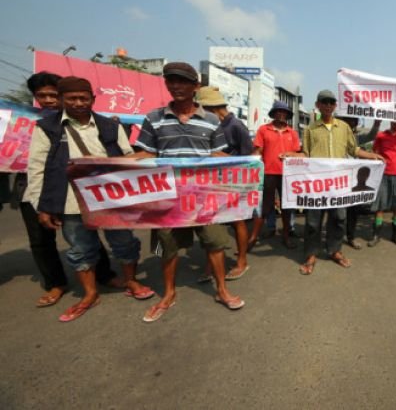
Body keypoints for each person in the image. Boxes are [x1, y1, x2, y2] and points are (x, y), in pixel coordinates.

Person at [25, 77, 152, 322]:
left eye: (84, 98)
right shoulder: (46, 127)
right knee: (81, 249)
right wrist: (41, 206)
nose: (78, 103)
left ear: (93, 99)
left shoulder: (110, 127)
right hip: (70, 201)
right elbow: (37, 168)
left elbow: (128, 158)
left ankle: (132, 281)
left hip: (112, 198)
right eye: (72, 98)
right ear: (62, 100)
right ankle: (90, 293)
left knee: (124, 242)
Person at [131, 62, 244, 322]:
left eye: (182, 81)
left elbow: (216, 154)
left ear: (195, 87)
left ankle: (222, 290)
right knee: (166, 246)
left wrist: (246, 164)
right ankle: (169, 293)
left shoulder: (211, 120)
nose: (176, 86)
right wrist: (107, 164)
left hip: (204, 196)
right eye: (171, 80)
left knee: (215, 244)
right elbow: (147, 153)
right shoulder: (154, 118)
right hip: (168, 197)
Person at [17, 72, 120, 308]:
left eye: (53, 95)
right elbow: (36, 166)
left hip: (91, 192)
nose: (49, 100)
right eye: (42, 96)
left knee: (89, 236)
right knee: (43, 239)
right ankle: (56, 283)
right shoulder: (23, 120)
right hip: (40, 188)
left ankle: (103, 275)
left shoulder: (101, 124)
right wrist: (41, 203)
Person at [298, 89, 384, 275]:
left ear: (335, 105)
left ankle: (335, 251)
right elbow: (306, 154)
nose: (328, 105)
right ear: (318, 105)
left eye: (331, 102)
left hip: (339, 184)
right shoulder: (310, 129)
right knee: (313, 222)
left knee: (339, 218)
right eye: (324, 101)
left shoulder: (344, 128)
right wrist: (292, 156)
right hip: (317, 184)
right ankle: (311, 255)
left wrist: (371, 155)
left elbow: (354, 150)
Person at [198, 86, 254, 281]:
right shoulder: (211, 124)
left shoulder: (236, 125)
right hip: (213, 180)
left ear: (212, 108)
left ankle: (242, 261)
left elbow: (249, 155)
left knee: (237, 220)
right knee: (212, 221)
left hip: (235, 180)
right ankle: (211, 264)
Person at [248, 100, 300, 250]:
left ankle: (286, 236)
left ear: (287, 115)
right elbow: (257, 151)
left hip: (287, 175)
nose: (281, 114)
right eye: (278, 111)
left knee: (287, 207)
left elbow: (297, 154)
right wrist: (249, 165)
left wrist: (290, 154)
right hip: (268, 173)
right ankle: (253, 238)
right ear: (274, 113)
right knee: (264, 207)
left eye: (284, 112)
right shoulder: (264, 130)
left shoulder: (293, 133)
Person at [341, 117, 381, 249]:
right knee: (337, 211)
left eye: (354, 121)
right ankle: (336, 237)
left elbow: (371, 135)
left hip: (354, 179)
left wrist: (376, 123)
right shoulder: (336, 134)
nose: (352, 123)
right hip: (338, 177)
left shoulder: (356, 137)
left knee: (353, 210)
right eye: (349, 121)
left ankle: (350, 237)